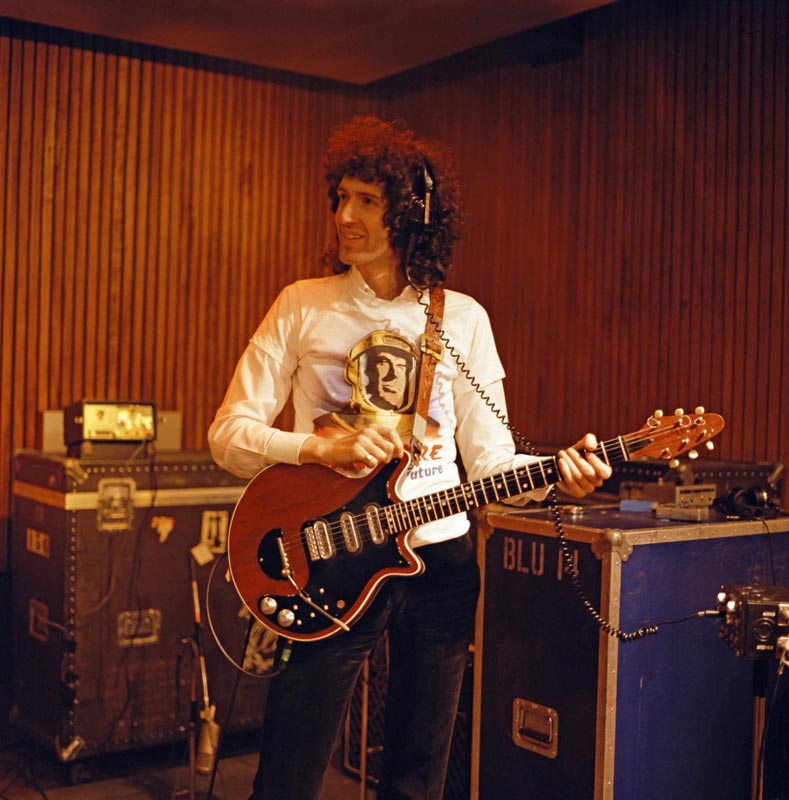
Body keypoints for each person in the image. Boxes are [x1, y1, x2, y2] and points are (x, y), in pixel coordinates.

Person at [208, 115, 612, 800]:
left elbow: (489, 466)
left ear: (413, 211)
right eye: (340, 198)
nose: (344, 216)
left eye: (366, 200)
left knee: (417, 777)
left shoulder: (461, 320)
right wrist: (317, 446)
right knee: (289, 771)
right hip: (328, 554)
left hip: (440, 567)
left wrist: (556, 480)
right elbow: (229, 433)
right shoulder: (301, 306)